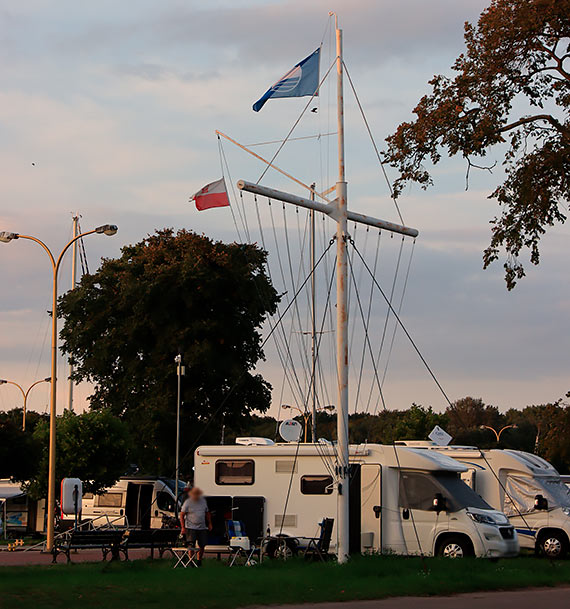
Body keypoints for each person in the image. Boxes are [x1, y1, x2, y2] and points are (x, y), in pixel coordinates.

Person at [180, 486, 212, 566]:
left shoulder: (203, 502)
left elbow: (207, 513)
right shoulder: (187, 503)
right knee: (191, 545)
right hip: (190, 527)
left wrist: (210, 523)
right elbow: (182, 515)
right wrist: (183, 527)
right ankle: (191, 561)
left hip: (202, 527)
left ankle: (199, 561)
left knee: (202, 545)